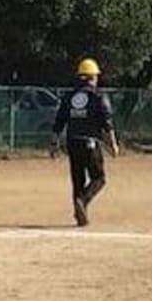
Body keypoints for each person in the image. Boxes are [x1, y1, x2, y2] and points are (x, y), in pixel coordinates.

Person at [51, 57, 119, 227]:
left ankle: (80, 214)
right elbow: (107, 122)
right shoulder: (97, 96)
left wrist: (54, 143)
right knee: (99, 178)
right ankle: (82, 201)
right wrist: (113, 144)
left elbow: (59, 121)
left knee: (78, 179)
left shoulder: (69, 96)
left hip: (72, 142)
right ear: (93, 77)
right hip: (90, 142)